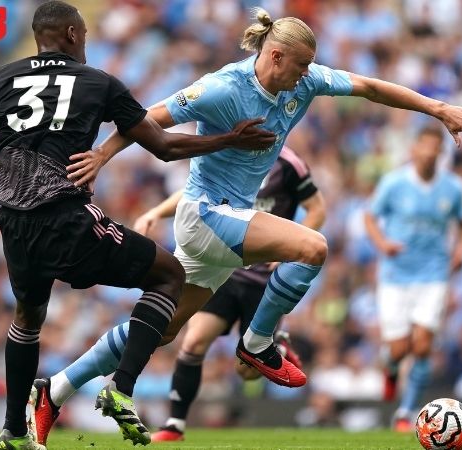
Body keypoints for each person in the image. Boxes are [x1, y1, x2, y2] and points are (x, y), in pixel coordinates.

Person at [28, 6, 462, 444]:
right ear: (275, 55)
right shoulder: (224, 87)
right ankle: (258, 342)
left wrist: (439, 109)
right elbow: (148, 119)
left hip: (223, 224)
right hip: (205, 213)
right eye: (302, 65)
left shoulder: (304, 83)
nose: (308, 74)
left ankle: (56, 390)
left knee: (162, 329)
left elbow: (369, 86)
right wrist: (102, 157)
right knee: (313, 247)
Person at [0, 1, 275, 448]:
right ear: (70, 33)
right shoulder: (97, 82)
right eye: (83, 34)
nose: (85, 41)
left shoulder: (1, 78)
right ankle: (121, 388)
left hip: (12, 222)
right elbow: (162, 146)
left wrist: (14, 144)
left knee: (27, 318)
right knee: (169, 275)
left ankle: (13, 431)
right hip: (63, 215)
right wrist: (228, 139)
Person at [133, 146, 325, 442]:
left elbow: (318, 208)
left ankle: (279, 347)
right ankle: (175, 425)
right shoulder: (229, 152)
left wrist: (292, 249)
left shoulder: (290, 162)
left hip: (264, 280)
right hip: (225, 271)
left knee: (246, 372)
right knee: (194, 341)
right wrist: (156, 212)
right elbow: (193, 193)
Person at [363, 126, 462, 431]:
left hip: (434, 274)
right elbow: (370, 216)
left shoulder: (453, 188)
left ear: (440, 153)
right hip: (396, 275)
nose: (427, 153)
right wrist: (383, 244)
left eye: (433, 148)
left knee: (423, 345)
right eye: (423, 147)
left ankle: (406, 412)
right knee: (399, 349)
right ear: (413, 150)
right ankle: (390, 368)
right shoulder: (394, 183)